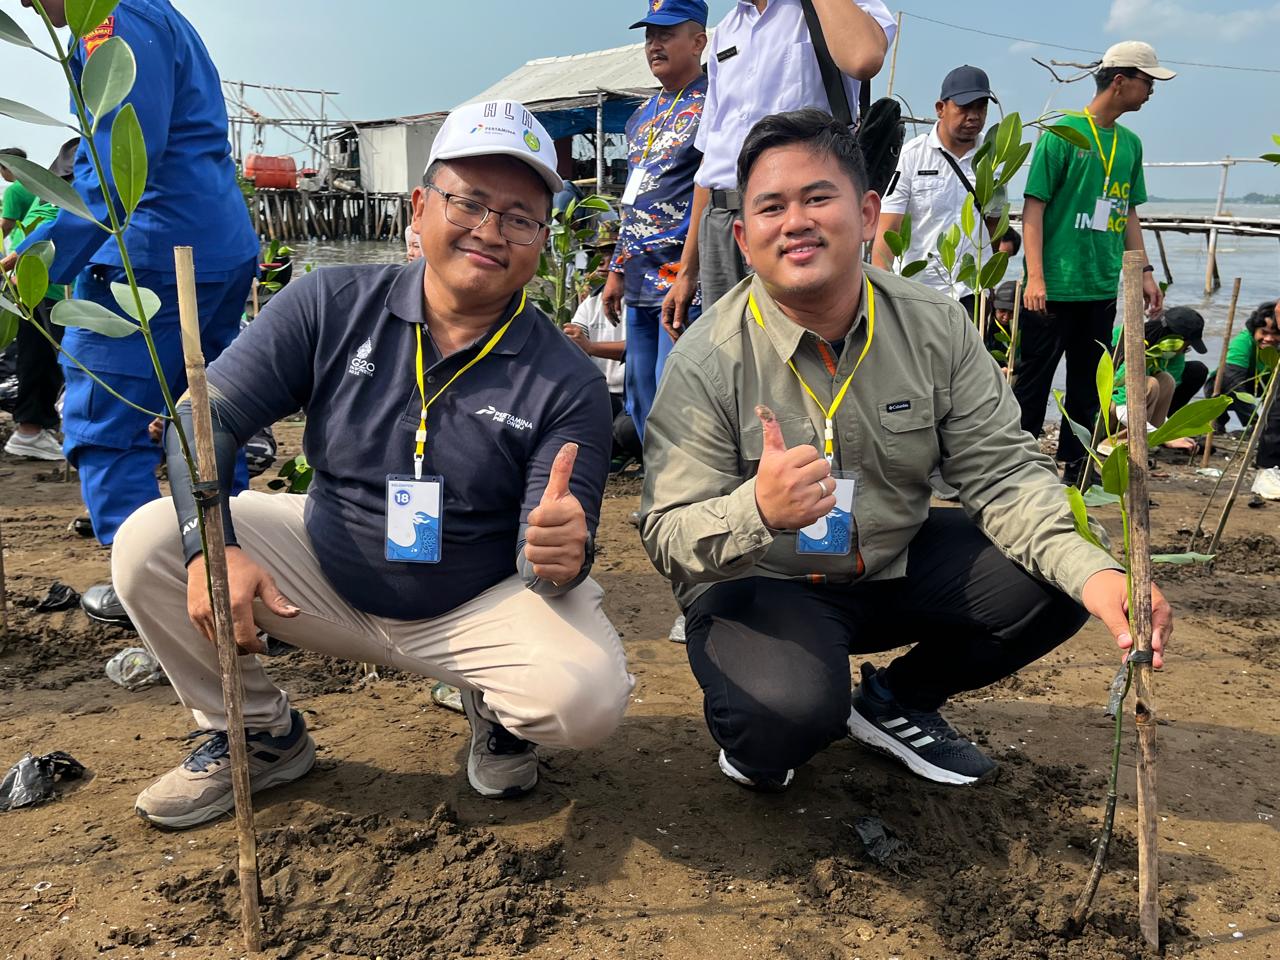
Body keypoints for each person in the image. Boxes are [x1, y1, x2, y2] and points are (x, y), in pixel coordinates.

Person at [110, 100, 633, 829]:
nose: (489, 230)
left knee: (586, 698)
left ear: (542, 240)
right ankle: (258, 734)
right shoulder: (328, 303)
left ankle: (498, 711)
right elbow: (208, 420)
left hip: (471, 600)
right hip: (324, 566)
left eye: (519, 217)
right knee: (149, 544)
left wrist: (561, 556)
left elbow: (551, 555)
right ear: (420, 209)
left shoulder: (566, 379)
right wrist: (214, 546)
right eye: (469, 203)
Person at [640, 110, 1171, 791]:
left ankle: (895, 701)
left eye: (817, 198)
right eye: (771, 207)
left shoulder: (934, 324)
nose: (795, 221)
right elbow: (664, 535)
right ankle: (773, 715)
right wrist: (758, 511)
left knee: (1063, 572)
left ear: (867, 214)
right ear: (743, 237)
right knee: (784, 723)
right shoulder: (705, 358)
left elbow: (1003, 471)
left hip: (891, 562)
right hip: (764, 581)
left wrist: (1098, 576)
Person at [4, 0, 260, 627]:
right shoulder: (153, 14)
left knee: (104, 425)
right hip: (211, 247)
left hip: (149, 258)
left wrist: (37, 261)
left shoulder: (113, 23)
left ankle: (150, 588)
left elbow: (119, 165)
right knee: (208, 419)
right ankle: (234, 569)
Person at [662, 0, 896, 330]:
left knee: (802, 351)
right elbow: (712, 157)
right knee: (729, 356)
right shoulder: (728, 29)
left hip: (792, 218)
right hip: (721, 222)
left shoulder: (828, 9)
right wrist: (687, 271)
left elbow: (864, 58)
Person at [1015, 41, 1173, 486]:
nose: (1151, 92)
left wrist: (1142, 271)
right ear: (1120, 81)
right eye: (1148, 82)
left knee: (1089, 385)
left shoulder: (1130, 144)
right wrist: (1036, 277)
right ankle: (1020, 467)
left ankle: (1077, 467)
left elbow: (1129, 212)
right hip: (1053, 287)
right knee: (1033, 382)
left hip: (1101, 286)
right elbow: (1034, 208)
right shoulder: (1062, 134)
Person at [602, 0, 709, 443]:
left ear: (699, 41)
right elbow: (634, 202)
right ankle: (656, 496)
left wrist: (689, 271)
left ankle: (686, 497)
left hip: (682, 277)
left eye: (666, 34)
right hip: (638, 277)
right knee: (640, 392)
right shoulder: (640, 117)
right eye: (649, 35)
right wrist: (614, 270)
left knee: (677, 392)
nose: (654, 44)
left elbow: (712, 191)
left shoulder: (715, 106)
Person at [873, 65, 1001, 313]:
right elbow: (889, 228)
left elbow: (994, 224)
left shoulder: (993, 156)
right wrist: (879, 296)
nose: (974, 116)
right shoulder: (912, 155)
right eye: (964, 108)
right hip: (920, 293)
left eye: (981, 107)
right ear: (941, 108)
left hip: (973, 293)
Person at [2, 148, 71, 461]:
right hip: (43, 280)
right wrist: (13, 261)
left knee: (41, 354)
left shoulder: (49, 189)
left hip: (38, 277)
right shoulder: (64, 195)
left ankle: (37, 429)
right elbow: (53, 227)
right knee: (44, 355)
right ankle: (31, 430)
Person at [568, 230, 643, 466]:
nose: (602, 261)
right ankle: (619, 450)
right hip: (602, 394)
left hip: (634, 395)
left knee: (627, 430)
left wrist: (590, 346)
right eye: (598, 254)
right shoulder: (590, 303)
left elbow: (638, 348)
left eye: (611, 254)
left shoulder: (639, 300)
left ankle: (634, 451)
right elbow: (577, 343)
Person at [1207, 300, 1280, 499]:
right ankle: (1219, 424)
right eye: (1263, 332)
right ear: (1254, 330)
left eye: (1275, 334)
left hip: (1265, 383)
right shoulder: (1244, 342)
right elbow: (1233, 378)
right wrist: (1257, 422)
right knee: (1227, 385)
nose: (1269, 338)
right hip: (1234, 385)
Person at [1108, 307, 1208, 452]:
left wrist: (1169, 432)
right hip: (1104, 413)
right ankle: (1121, 443)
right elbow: (1122, 410)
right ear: (1173, 340)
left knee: (1166, 380)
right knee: (1151, 384)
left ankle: (1148, 440)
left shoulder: (1157, 352)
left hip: (1124, 413)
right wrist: (1163, 436)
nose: (1184, 351)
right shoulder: (1135, 347)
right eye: (1186, 345)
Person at [1, 148, 35, 243]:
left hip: (21, 243)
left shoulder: (13, 191)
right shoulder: (39, 186)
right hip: (39, 240)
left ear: (7, 167)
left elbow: (7, 226)